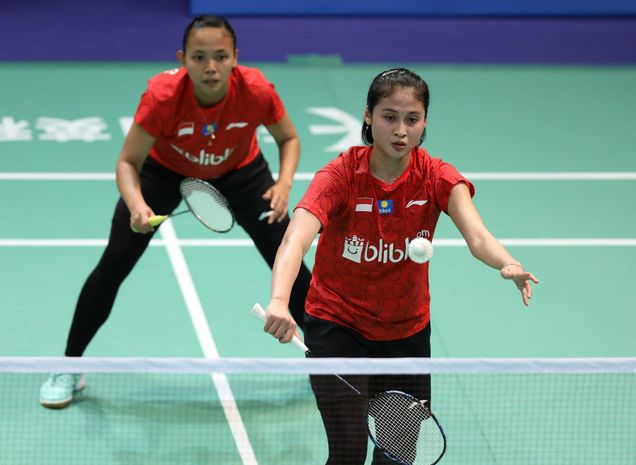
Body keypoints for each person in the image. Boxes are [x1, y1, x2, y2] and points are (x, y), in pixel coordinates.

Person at [261, 68, 539, 465]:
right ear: (368, 116)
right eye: (389, 117)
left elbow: (478, 237)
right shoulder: (339, 177)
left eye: (412, 119)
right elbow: (296, 238)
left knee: (398, 457)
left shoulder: (437, 177)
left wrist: (507, 263)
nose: (401, 130)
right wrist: (278, 300)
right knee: (347, 454)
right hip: (338, 328)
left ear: (424, 122)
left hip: (405, 333)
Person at [38, 15, 312, 409]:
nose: (211, 66)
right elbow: (127, 162)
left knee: (289, 262)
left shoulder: (255, 90)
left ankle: (327, 361)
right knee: (113, 263)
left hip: (241, 173)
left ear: (236, 57)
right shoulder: (163, 95)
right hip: (164, 172)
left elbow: (288, 138)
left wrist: (283, 184)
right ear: (183, 59)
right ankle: (68, 366)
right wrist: (136, 205)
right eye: (200, 57)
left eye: (221, 56)